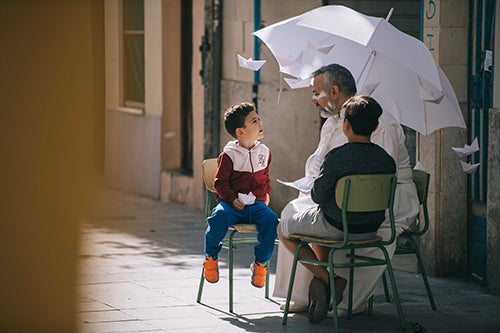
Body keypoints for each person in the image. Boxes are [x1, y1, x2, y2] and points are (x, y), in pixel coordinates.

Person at [273, 64, 419, 315]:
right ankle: (308, 290)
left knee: (315, 218)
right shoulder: (334, 122)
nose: (312, 101)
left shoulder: (379, 123)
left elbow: (373, 174)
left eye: (316, 93)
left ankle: (329, 287)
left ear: (334, 91)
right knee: (292, 209)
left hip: (381, 201)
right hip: (342, 196)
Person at [278, 95, 397, 324]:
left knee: (283, 229)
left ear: (346, 125)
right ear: (375, 126)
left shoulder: (337, 157)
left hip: (336, 225)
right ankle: (320, 284)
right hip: (370, 229)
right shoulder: (386, 161)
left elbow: (317, 196)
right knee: (316, 229)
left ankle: (329, 278)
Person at [203, 102, 279, 288]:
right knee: (218, 216)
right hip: (231, 205)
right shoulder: (228, 155)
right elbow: (219, 183)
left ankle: (260, 263)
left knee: (271, 221)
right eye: (254, 121)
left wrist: (266, 194)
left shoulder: (265, 152)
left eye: (259, 118)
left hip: (256, 205)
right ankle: (211, 257)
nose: (260, 123)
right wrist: (232, 200)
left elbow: (265, 178)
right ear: (241, 132)